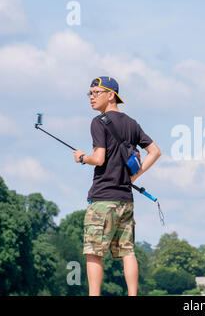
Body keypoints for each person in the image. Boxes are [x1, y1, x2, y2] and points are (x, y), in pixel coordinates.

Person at [74, 76, 161, 296]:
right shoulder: (132, 123)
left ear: (111, 95)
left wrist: (83, 157)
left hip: (103, 198)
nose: (91, 97)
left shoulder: (98, 122)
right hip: (126, 200)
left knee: (94, 252)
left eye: (96, 92)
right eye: (90, 93)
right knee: (127, 252)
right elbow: (155, 152)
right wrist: (134, 177)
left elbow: (99, 158)